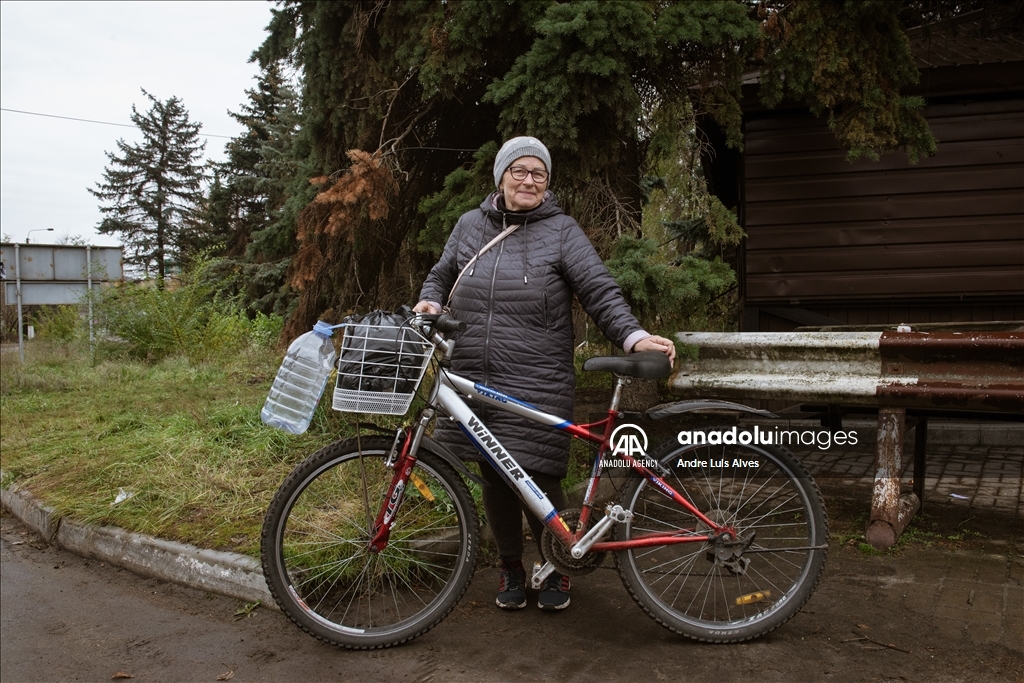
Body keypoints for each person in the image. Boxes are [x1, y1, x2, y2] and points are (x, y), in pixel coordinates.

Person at [414, 136, 675, 612]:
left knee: (538, 472)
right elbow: (441, 272)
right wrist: (430, 300)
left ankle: (555, 564)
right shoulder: (469, 225)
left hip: (537, 374)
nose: (529, 180)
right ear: (501, 177)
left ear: (547, 183)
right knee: (494, 474)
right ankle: (511, 567)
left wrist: (634, 337)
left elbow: (598, 290)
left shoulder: (562, 231)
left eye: (539, 174)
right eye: (520, 171)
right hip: (473, 369)